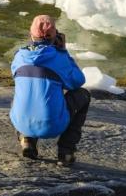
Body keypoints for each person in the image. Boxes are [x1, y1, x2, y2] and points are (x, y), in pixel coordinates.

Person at [10, 14, 90, 166]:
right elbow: (78, 82)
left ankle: (27, 139)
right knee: (83, 95)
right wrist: (64, 52)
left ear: (30, 34)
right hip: (54, 126)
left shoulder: (19, 56)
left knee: (23, 90)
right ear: (55, 36)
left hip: (20, 122)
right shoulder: (59, 58)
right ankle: (66, 151)